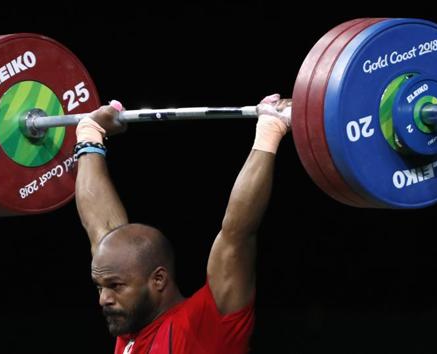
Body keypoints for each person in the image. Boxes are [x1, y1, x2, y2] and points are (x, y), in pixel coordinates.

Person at [74, 94, 291, 354]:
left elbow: (237, 233)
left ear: (158, 279)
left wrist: (270, 130)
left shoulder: (205, 324)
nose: (103, 299)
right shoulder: (131, 331)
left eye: (115, 286)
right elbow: (101, 227)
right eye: (101, 287)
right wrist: (90, 136)